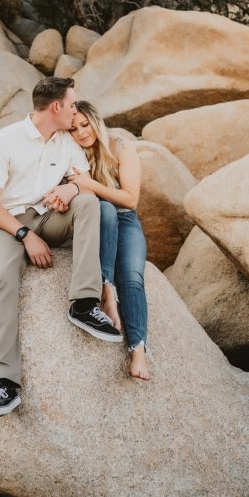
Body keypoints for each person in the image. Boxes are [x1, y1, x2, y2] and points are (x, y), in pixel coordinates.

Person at [0, 76, 122, 422]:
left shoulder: (65, 142)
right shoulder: (6, 140)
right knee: (2, 278)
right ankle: (4, 383)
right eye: (72, 105)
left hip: (49, 217)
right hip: (7, 223)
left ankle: (84, 304)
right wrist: (25, 234)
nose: (75, 111)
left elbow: (81, 181)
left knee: (90, 204)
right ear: (56, 107)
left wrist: (72, 192)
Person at [66, 101, 150, 381]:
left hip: (126, 220)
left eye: (84, 124)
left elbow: (131, 198)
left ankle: (138, 349)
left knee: (133, 278)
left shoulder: (120, 146)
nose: (80, 132)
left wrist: (90, 184)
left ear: (95, 121)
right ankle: (106, 290)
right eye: (73, 128)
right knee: (103, 209)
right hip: (98, 222)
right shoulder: (71, 152)